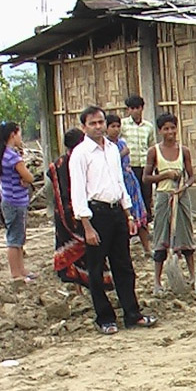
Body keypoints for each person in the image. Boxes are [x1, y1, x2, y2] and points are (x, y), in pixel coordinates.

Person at [69, 105, 157, 334]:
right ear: (84, 127)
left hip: (116, 212)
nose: (98, 127)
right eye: (93, 123)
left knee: (124, 266)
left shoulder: (111, 149)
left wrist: (128, 213)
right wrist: (87, 226)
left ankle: (132, 313)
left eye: (101, 122)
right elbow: (78, 192)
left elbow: (119, 182)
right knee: (96, 268)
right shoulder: (80, 154)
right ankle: (104, 317)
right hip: (95, 214)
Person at [48, 128, 114, 291]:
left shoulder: (58, 164)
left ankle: (79, 285)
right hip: (82, 212)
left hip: (63, 214)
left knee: (77, 251)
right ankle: (91, 284)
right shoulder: (81, 160)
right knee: (90, 251)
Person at [144, 113, 196, 294]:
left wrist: (183, 187)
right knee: (161, 238)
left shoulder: (184, 151)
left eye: (173, 128)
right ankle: (157, 282)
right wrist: (165, 176)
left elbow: (192, 176)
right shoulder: (154, 152)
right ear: (160, 131)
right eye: (166, 129)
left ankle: (192, 276)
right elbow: (146, 178)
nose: (170, 132)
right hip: (163, 197)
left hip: (181, 198)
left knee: (186, 237)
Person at [0, 121, 35, 283]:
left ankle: (21, 269)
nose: (21, 138)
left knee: (18, 237)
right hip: (15, 201)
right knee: (14, 239)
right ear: (13, 135)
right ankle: (16, 273)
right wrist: (26, 180)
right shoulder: (12, 157)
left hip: (11, 199)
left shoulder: (3, 154)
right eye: (19, 134)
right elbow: (29, 177)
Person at [106, 114, 151, 257]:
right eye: (112, 126)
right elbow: (109, 165)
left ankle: (147, 248)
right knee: (123, 218)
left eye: (118, 126)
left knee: (139, 213)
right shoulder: (106, 147)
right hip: (116, 183)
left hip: (130, 182)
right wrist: (121, 154)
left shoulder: (122, 143)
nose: (116, 129)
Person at [120, 94, 155, 225]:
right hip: (130, 167)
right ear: (128, 110)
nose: (135, 111)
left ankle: (145, 223)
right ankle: (131, 222)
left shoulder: (148, 126)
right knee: (130, 195)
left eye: (137, 108)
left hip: (145, 166)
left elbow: (151, 145)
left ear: (142, 108)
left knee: (146, 195)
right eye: (132, 108)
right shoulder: (122, 125)